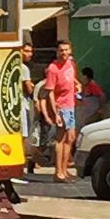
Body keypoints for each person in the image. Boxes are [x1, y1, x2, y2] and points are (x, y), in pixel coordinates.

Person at [42, 39, 80, 182]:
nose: (64, 53)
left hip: (70, 105)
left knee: (70, 138)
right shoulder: (53, 68)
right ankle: (58, 172)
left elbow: (73, 80)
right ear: (57, 52)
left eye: (66, 50)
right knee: (61, 138)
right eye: (61, 50)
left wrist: (78, 86)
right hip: (61, 106)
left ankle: (64, 170)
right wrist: (55, 112)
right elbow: (49, 91)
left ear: (70, 50)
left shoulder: (70, 64)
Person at [20, 42, 36, 174]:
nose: (29, 54)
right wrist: (32, 86)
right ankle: (20, 165)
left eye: (30, 51)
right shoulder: (24, 68)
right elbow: (29, 89)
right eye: (26, 51)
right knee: (23, 136)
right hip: (22, 105)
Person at [76, 66, 107, 131]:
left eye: (82, 76)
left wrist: (101, 108)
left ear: (86, 76)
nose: (81, 78)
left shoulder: (92, 85)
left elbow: (102, 95)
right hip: (87, 111)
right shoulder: (85, 86)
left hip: (93, 112)